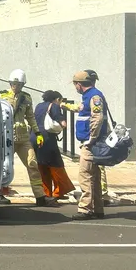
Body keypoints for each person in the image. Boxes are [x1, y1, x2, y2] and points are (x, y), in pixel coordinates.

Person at [0, 69, 56, 206]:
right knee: (3, 166)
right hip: (7, 137)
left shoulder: (26, 97)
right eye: (14, 83)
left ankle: (40, 197)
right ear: (10, 83)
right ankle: (0, 194)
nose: (16, 86)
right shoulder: (2, 96)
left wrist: (37, 133)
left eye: (19, 84)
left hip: (23, 137)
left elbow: (30, 117)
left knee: (32, 164)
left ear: (23, 84)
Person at [71, 70, 108, 220]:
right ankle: (98, 209)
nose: (75, 87)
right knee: (94, 177)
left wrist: (91, 138)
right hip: (92, 143)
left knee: (85, 175)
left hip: (91, 144)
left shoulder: (94, 96)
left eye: (75, 84)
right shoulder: (89, 96)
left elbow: (97, 118)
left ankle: (85, 209)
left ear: (79, 84)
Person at [33, 90, 77, 201]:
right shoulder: (55, 106)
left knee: (42, 165)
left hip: (35, 137)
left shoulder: (39, 106)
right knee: (56, 164)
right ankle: (59, 191)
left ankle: (46, 193)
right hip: (48, 139)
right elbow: (63, 124)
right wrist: (59, 128)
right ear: (57, 99)